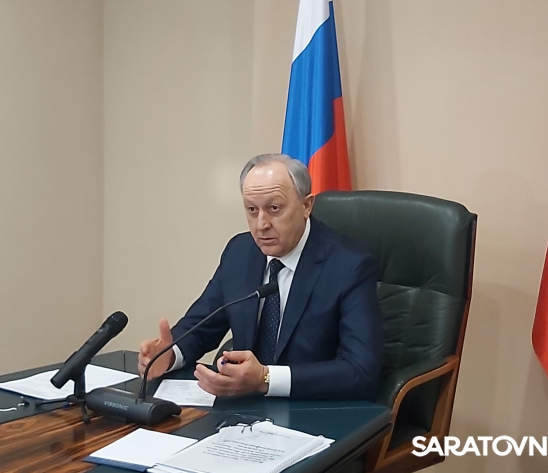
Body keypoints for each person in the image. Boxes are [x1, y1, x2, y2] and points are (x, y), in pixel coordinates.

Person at [138, 153, 382, 400]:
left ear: (306, 206)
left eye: (274, 209)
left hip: (313, 408)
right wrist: (169, 355)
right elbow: (203, 326)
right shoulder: (240, 252)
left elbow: (360, 372)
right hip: (243, 408)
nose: (261, 224)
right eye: (252, 210)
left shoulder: (349, 266)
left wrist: (266, 378)